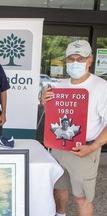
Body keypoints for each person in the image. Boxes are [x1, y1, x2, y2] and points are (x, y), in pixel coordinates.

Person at [42, 40, 107, 216]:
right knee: (59, 189)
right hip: (59, 147)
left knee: (82, 198)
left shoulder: (101, 87)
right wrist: (45, 103)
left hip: (84, 149)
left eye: (80, 58)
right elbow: (54, 116)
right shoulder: (60, 86)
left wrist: (93, 147)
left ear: (90, 60)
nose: (75, 62)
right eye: (71, 59)